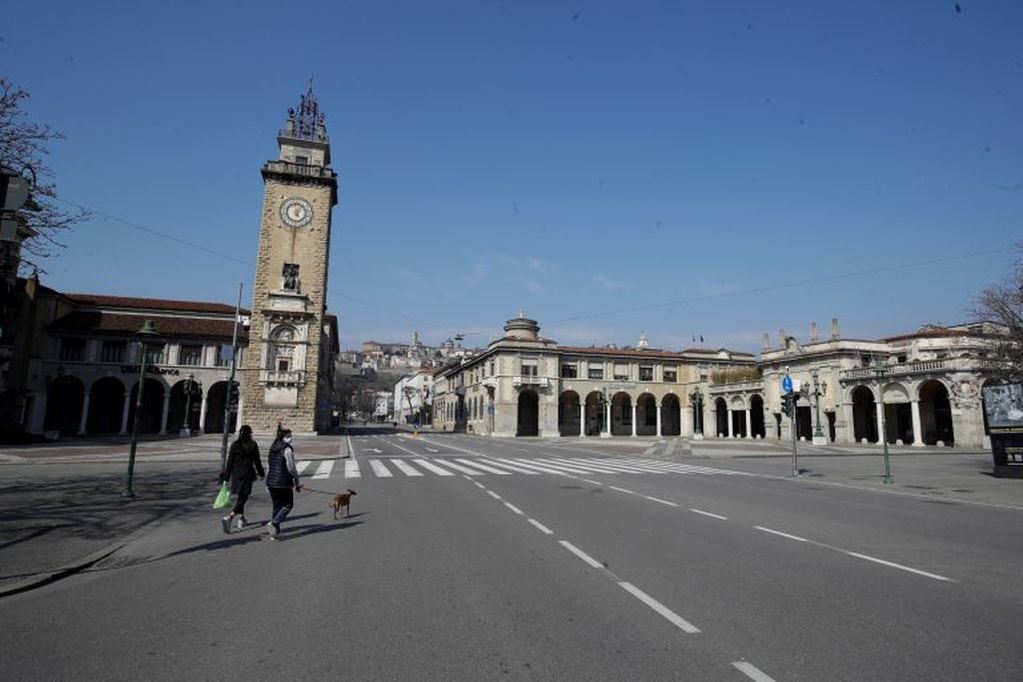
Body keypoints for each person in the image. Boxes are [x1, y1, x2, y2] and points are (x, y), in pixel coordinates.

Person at [220, 425, 264, 534]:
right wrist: (261, 473)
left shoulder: (235, 445)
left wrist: (226, 477)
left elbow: (230, 462)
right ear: (249, 434)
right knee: (244, 497)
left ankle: (241, 519)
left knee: (241, 496)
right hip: (247, 473)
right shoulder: (253, 445)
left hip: (236, 474)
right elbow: (257, 461)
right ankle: (230, 517)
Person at [264, 427, 303, 539]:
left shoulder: (273, 448)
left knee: (277, 507)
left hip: (271, 482)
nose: (290, 439)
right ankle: (274, 523)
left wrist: (267, 482)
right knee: (288, 505)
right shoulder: (287, 449)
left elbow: (269, 465)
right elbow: (291, 467)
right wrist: (297, 480)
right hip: (283, 482)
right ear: (282, 437)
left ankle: (275, 533)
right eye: (288, 436)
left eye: (291, 436)